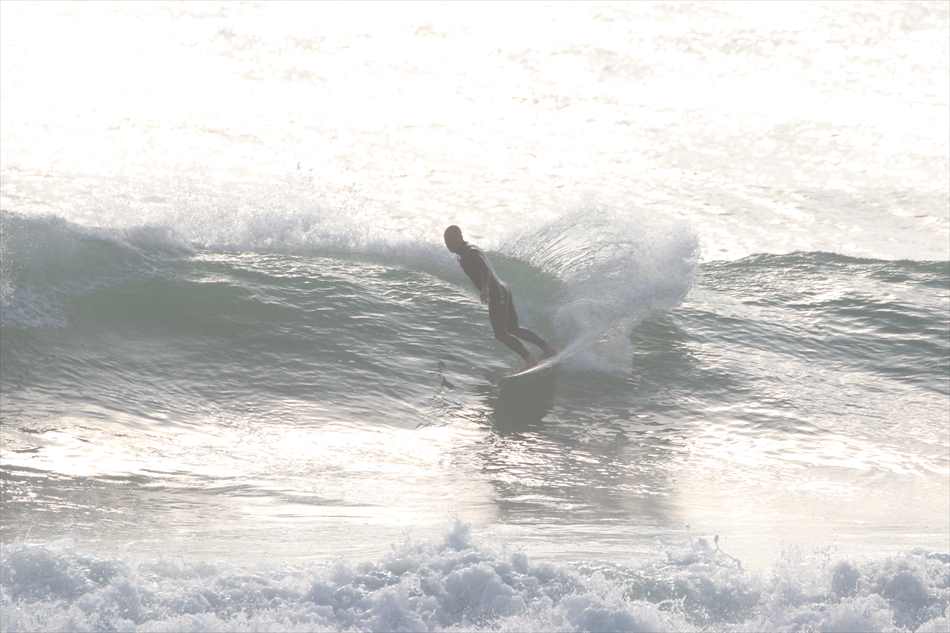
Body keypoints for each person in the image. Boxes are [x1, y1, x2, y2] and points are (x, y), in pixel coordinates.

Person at [444, 225, 555, 367]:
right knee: (513, 329)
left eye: (450, 240)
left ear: (459, 237)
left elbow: (485, 269)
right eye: (446, 241)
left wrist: (485, 289)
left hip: (496, 293)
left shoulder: (469, 252)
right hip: (502, 289)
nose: (447, 244)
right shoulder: (466, 251)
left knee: (500, 334)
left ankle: (529, 359)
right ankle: (547, 348)